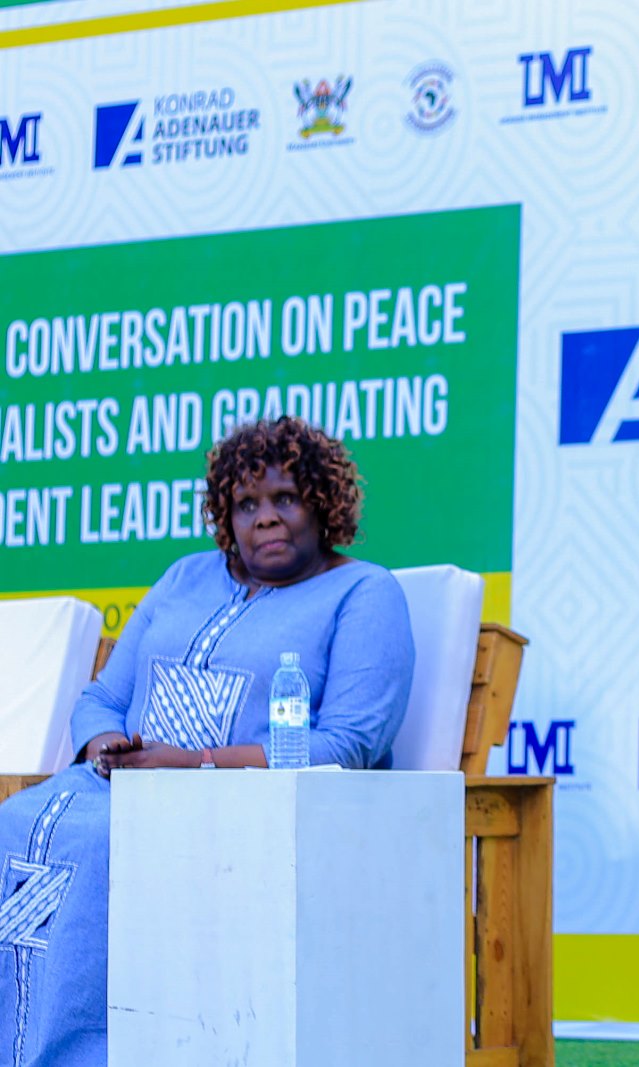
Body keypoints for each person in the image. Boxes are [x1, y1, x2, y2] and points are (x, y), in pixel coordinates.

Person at [0, 416, 415, 1066]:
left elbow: (348, 742)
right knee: (13, 823)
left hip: (241, 810)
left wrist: (188, 764)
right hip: (112, 786)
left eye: (286, 498)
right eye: (246, 504)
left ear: (324, 502)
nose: (266, 519)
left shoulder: (363, 593)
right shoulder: (185, 577)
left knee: (93, 844)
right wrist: (110, 746)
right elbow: (101, 698)